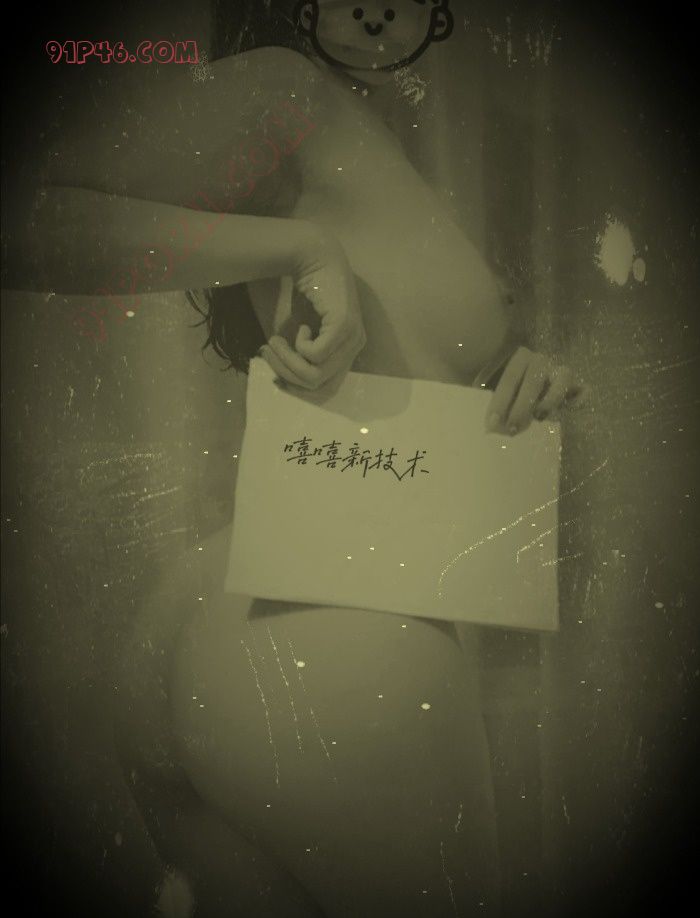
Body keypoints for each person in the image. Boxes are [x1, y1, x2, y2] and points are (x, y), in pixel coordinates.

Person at [6, 2, 588, 914]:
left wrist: (527, 374)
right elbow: (26, 219)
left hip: (256, 619)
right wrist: (298, 248)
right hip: (340, 628)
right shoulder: (286, 90)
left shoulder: (362, 131)